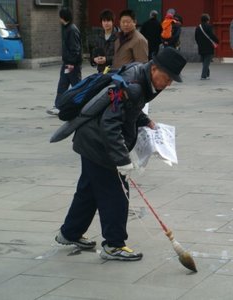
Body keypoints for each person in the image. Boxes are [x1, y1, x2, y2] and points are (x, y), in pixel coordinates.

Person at [54, 47, 187, 261]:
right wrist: (122, 160)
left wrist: (146, 121)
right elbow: (110, 123)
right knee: (116, 194)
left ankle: (69, 233)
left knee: (88, 191)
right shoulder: (133, 84)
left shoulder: (141, 77)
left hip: (91, 138)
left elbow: (127, 109)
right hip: (97, 142)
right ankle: (114, 245)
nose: (168, 83)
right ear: (154, 68)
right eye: (168, 77)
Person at [47, 7, 82, 116]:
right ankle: (58, 106)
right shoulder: (68, 28)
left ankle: (83, 105)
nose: (59, 19)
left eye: (60, 16)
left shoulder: (72, 30)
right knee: (62, 85)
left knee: (77, 86)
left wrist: (71, 63)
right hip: (67, 63)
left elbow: (75, 49)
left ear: (63, 17)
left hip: (72, 65)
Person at [89, 9, 117, 73]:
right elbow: (94, 53)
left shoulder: (118, 36)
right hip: (101, 71)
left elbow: (120, 56)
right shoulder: (98, 37)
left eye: (108, 20)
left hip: (114, 71)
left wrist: (106, 59)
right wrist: (94, 59)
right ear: (101, 22)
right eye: (104, 21)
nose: (106, 23)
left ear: (113, 22)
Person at [194, 13, 219, 80]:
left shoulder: (197, 28)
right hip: (208, 47)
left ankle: (207, 75)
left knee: (205, 62)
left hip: (201, 47)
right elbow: (212, 35)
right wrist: (217, 41)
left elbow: (196, 37)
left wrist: (199, 44)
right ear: (208, 20)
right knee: (206, 62)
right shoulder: (209, 27)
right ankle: (203, 76)